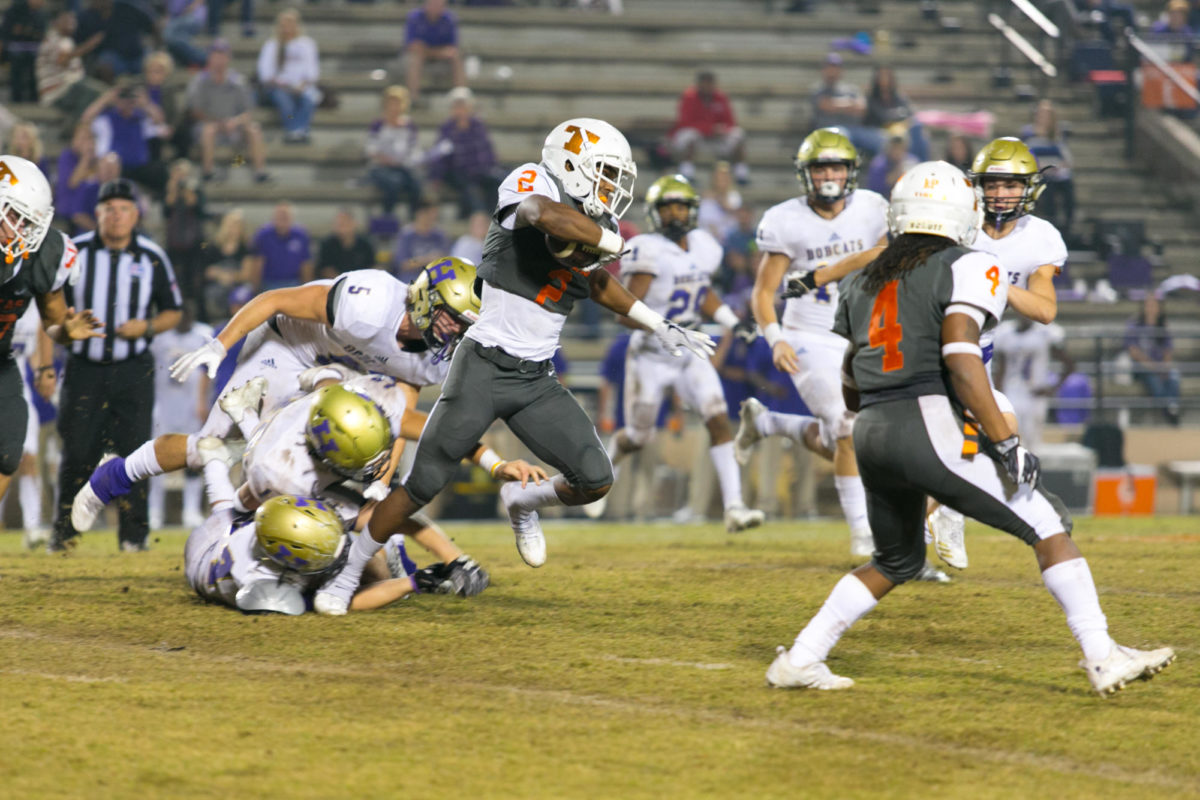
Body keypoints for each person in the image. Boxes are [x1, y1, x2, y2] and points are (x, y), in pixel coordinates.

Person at [765, 160, 1175, 697]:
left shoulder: (866, 275)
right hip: (925, 418)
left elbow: (849, 376)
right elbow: (961, 353)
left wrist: (879, 413)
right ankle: (1102, 654)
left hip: (871, 428)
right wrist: (1004, 440)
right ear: (961, 213)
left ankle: (801, 657)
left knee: (896, 559)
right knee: (1048, 521)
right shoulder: (970, 264)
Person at [306, 117, 715, 616]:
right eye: (604, 173)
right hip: (482, 365)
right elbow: (541, 213)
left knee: (595, 479)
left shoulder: (598, 225)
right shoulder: (534, 181)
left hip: (535, 377)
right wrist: (611, 242)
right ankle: (348, 573)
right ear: (573, 164)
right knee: (422, 484)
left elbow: (599, 283)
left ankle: (522, 502)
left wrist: (658, 323)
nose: (612, 187)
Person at [69, 258, 532, 531]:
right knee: (210, 447)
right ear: (427, 300)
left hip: (337, 371)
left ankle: (257, 540)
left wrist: (383, 474)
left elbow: (402, 414)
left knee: (327, 458)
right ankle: (113, 476)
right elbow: (274, 300)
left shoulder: (435, 357)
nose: (454, 333)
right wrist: (219, 345)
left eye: (462, 326)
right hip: (289, 344)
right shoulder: (368, 303)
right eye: (453, 319)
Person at [584, 175, 763, 532]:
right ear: (656, 214)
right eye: (667, 208)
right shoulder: (647, 248)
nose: (675, 214)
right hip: (651, 355)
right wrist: (664, 329)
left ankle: (734, 507)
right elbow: (625, 311)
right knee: (638, 437)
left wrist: (732, 320)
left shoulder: (704, 245)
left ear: (693, 210)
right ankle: (605, 471)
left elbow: (702, 293)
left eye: (681, 206)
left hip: (689, 352)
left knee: (716, 417)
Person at [742, 128, 888, 559]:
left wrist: (826, 271)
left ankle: (770, 424)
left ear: (850, 172)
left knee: (851, 440)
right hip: (808, 337)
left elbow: (886, 252)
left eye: (836, 166)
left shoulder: (873, 209)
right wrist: (776, 339)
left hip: (863, 336)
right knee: (846, 429)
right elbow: (762, 293)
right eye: (820, 166)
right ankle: (863, 534)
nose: (828, 174)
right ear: (806, 173)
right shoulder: (787, 220)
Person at [924, 137, 1069, 570]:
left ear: (1028, 188)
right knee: (967, 436)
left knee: (1004, 428)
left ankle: (942, 512)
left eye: (1011, 184)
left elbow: (1044, 309)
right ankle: (925, 521)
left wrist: (988, 279)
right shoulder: (956, 220)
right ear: (977, 185)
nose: (1001, 193)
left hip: (977, 351)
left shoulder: (1039, 237)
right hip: (928, 343)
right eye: (993, 183)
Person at [50, 178, 182, 553]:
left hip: (132, 370)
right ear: (98, 214)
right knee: (77, 451)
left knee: (135, 454)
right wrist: (66, 330)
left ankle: (134, 538)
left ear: (136, 214)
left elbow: (174, 310)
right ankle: (64, 536)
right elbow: (53, 306)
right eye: (109, 208)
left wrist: (148, 326)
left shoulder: (152, 255)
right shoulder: (76, 252)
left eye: (124, 208)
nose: (117, 215)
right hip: (84, 369)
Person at [0, 156, 102, 522]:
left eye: (30, 221)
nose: (25, 230)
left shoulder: (43, 253)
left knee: (10, 449)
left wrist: (67, 332)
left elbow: (54, 321)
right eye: (17, 217)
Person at [148, 303, 212, 529]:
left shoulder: (204, 335)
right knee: (156, 458)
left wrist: (205, 403)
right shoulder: (160, 337)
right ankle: (154, 510)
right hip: (164, 405)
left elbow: (209, 371)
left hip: (192, 407)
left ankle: (191, 510)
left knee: (194, 458)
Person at [185, 39, 269, 184]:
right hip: (208, 125)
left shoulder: (238, 81)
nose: (219, 60)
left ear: (229, 58)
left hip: (233, 126)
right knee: (208, 130)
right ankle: (208, 172)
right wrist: (218, 123)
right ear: (209, 58)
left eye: (223, 56)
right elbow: (195, 111)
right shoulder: (199, 81)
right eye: (216, 55)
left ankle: (260, 172)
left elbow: (248, 112)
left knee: (254, 129)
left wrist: (235, 122)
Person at [993, 316, 1075, 451]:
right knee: (1010, 440)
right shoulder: (1005, 332)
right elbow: (1001, 369)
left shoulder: (1045, 333)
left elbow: (1069, 364)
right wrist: (998, 394)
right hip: (1011, 392)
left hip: (1035, 394)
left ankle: (1030, 471)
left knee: (1033, 444)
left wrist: (1053, 388)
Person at [427, 87, 502, 220]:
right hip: (457, 172)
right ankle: (479, 219)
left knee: (498, 182)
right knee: (469, 189)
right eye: (457, 106)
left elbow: (487, 151)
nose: (461, 110)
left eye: (463, 106)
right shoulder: (447, 129)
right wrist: (436, 177)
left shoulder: (478, 126)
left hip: (479, 171)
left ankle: (493, 217)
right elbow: (440, 155)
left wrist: (489, 167)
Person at [669, 70, 749, 185]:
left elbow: (730, 121)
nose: (707, 87)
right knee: (687, 135)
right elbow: (685, 122)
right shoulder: (689, 97)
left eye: (710, 84)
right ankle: (687, 171)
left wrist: (721, 129)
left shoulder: (720, 97)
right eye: (705, 84)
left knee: (738, 134)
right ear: (699, 85)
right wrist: (709, 129)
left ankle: (741, 173)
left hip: (716, 139)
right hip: (699, 138)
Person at [257, 9, 320, 144]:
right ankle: (293, 130)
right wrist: (279, 83)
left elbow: (312, 70)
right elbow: (265, 72)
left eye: (290, 23)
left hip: (301, 86)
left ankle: (299, 131)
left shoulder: (307, 44)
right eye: (284, 24)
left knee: (308, 101)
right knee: (285, 102)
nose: (287, 28)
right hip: (278, 87)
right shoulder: (271, 45)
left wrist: (302, 85)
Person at [810, 53, 883, 160]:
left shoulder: (851, 89)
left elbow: (862, 108)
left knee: (881, 139)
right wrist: (849, 104)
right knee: (842, 135)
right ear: (823, 70)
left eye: (836, 67)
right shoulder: (817, 90)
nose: (832, 71)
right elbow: (826, 105)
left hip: (856, 130)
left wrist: (836, 105)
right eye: (829, 67)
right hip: (831, 131)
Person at [365, 85, 422, 221]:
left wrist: (408, 159)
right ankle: (387, 219)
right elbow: (370, 149)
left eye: (398, 103)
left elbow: (414, 149)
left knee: (416, 185)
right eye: (391, 103)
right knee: (393, 183)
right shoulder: (378, 125)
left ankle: (413, 219)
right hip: (381, 167)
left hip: (402, 167)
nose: (394, 107)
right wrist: (385, 159)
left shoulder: (409, 126)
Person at [37, 9, 104, 125]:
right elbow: (62, 60)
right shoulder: (51, 39)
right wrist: (88, 46)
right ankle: (73, 129)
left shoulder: (67, 41)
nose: (71, 24)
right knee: (96, 91)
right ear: (54, 22)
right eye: (66, 20)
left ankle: (79, 127)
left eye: (73, 21)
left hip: (71, 88)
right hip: (57, 92)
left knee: (98, 94)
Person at [1020, 101, 1075, 239]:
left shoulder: (1058, 135)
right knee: (1046, 188)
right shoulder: (1028, 133)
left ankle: (1067, 227)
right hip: (1038, 173)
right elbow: (1025, 156)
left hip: (1056, 173)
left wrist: (1061, 166)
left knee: (1068, 188)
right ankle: (1051, 221)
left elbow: (1066, 158)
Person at [1125, 293, 1181, 424]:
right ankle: (1168, 411)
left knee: (1174, 376)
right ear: (1143, 307)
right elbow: (1134, 351)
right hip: (1143, 368)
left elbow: (1168, 350)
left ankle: (1172, 407)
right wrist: (1154, 367)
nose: (1151, 308)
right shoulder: (1135, 324)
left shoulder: (1163, 326)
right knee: (1154, 380)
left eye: (1154, 305)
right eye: (1148, 305)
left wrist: (1164, 367)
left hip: (1160, 367)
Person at [403, 0, 466, 104]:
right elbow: (412, 46)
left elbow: (452, 49)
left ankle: (461, 98)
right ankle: (413, 99)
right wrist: (437, 51)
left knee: (457, 57)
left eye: (439, 4)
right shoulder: (414, 17)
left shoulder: (449, 19)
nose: (435, 7)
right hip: (420, 57)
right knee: (415, 59)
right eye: (432, 3)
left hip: (441, 58)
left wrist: (427, 50)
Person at [863, 65, 929, 161]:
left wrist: (898, 115)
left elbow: (909, 113)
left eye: (887, 76)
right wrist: (899, 114)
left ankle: (920, 164)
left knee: (917, 128)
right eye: (882, 76)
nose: (884, 79)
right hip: (881, 130)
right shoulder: (871, 98)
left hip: (901, 127)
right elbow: (882, 116)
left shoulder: (898, 96)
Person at [200, 208, 252, 322]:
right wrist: (221, 275)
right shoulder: (214, 247)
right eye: (232, 225)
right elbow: (207, 271)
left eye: (238, 226)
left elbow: (246, 275)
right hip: (217, 286)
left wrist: (229, 277)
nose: (234, 229)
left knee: (242, 294)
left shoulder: (245, 248)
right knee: (211, 293)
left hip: (237, 287)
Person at [248, 201, 312, 291]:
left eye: (285, 215)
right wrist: (255, 289)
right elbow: (257, 263)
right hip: (269, 283)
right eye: (280, 215)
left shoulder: (301, 235)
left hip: (294, 283)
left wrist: (306, 289)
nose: (282, 218)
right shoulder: (263, 235)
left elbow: (305, 264)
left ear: (291, 217)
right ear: (273, 217)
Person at [1, 0, 47, 103]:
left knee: (37, 65)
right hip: (15, 46)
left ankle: (34, 99)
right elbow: (9, 30)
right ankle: (16, 99)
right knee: (17, 60)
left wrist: (26, 31)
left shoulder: (41, 14)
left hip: (34, 47)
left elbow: (41, 34)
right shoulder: (15, 9)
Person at [391, 201, 449, 282]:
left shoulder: (439, 235)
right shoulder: (407, 235)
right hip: (411, 276)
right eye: (430, 215)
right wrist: (425, 260)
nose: (433, 218)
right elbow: (403, 264)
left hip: (434, 276)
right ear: (420, 214)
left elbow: (446, 260)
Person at [316, 208, 376, 279]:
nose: (342, 228)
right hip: (335, 283)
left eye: (345, 224)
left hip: (361, 283)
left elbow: (372, 267)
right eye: (339, 224)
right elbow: (325, 269)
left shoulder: (366, 244)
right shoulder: (327, 244)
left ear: (354, 224)